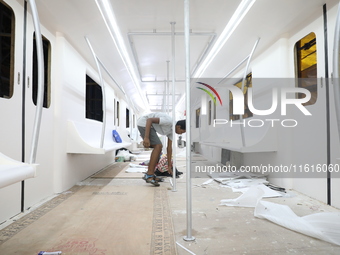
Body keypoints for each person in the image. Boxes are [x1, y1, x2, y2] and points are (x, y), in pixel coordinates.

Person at [137, 112, 186, 186]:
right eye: (182, 131)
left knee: (159, 147)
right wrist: (146, 138)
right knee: (158, 146)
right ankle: (149, 175)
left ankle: (151, 173)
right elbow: (149, 120)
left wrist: (169, 166)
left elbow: (169, 148)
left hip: (150, 127)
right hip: (144, 123)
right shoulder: (168, 121)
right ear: (178, 127)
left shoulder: (172, 131)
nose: (181, 134)